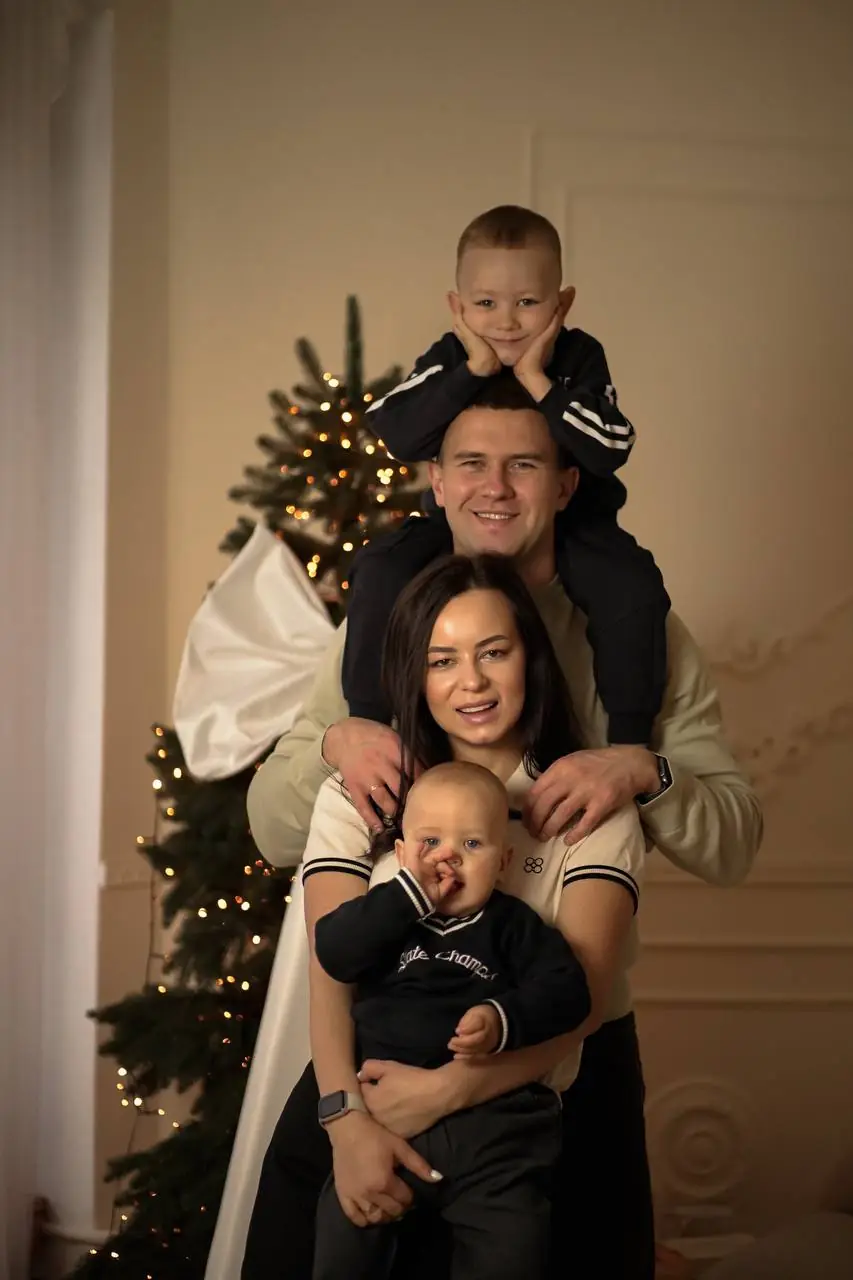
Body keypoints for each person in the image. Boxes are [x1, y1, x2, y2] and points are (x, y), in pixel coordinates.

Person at [242, 375, 763, 1280]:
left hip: (563, 1055)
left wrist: (642, 770)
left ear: (564, 483)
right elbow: (285, 842)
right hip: (378, 1052)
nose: (494, 487)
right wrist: (335, 743)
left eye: (522, 465)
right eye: (471, 464)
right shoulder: (387, 621)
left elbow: (730, 842)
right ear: (436, 481)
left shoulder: (639, 630)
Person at [244, 553, 646, 1280]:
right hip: (356, 1110)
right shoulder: (364, 791)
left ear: (531, 657)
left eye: (494, 652)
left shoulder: (587, 804)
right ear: (415, 673)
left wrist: (449, 1090)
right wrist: (346, 1122)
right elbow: (332, 971)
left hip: (510, 1138)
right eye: (442, 660)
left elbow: (580, 996)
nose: (472, 682)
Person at [343, 203, 670, 748]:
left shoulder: (579, 358)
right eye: (486, 304)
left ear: (562, 304)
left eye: (527, 303)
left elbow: (610, 448)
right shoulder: (451, 357)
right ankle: (369, 726)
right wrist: (473, 371)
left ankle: (629, 737)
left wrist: (539, 381)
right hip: (453, 523)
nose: (507, 322)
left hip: (574, 521)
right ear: (457, 307)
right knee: (380, 568)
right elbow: (395, 431)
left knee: (631, 584)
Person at [312, 759, 594, 1280]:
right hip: (385, 1124)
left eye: (471, 844)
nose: (448, 858)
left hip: (496, 1131)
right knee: (345, 1244)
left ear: (503, 861)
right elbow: (333, 952)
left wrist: (501, 1018)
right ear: (401, 856)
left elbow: (569, 992)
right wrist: (405, 897)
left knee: (512, 1251)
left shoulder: (514, 926)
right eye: (430, 843)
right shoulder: (384, 919)